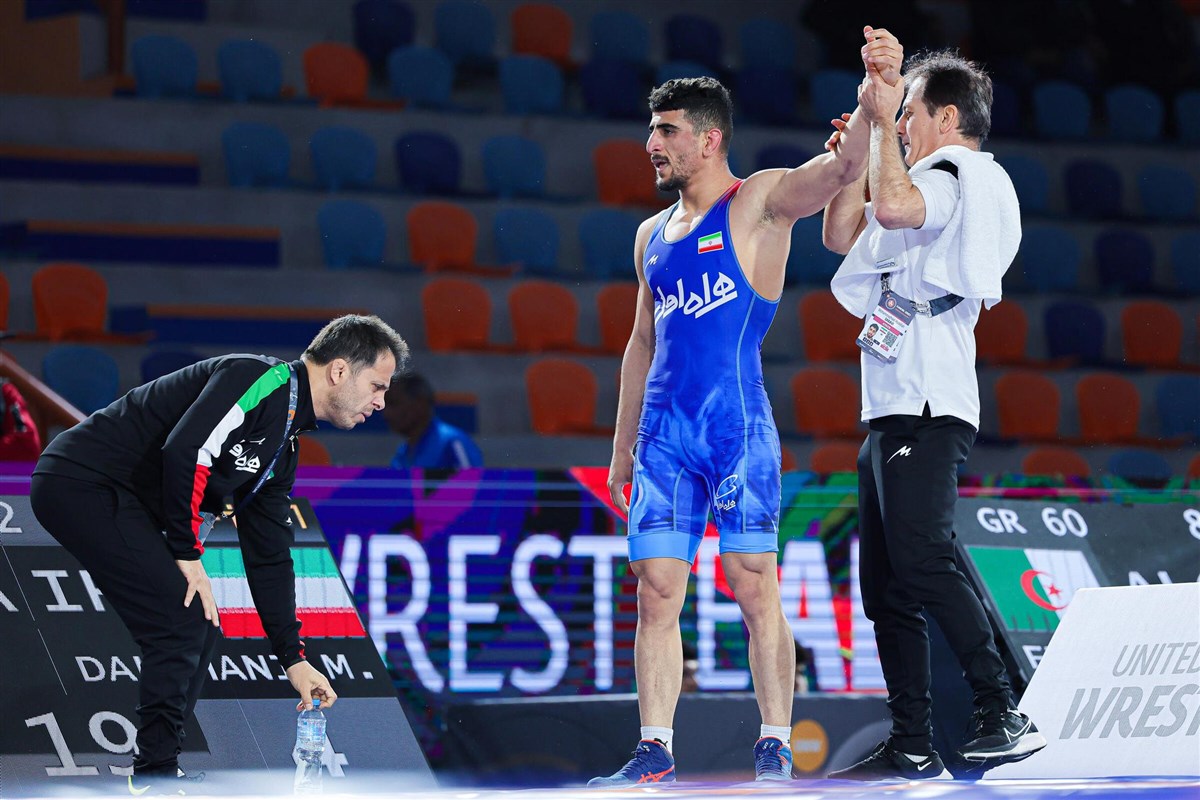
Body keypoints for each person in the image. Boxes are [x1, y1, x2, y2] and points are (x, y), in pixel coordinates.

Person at [590, 70, 869, 787]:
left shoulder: (759, 202)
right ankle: (655, 748)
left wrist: (872, 107)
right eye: (651, 129)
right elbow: (641, 343)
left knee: (752, 583)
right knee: (655, 589)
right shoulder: (651, 235)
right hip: (663, 436)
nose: (651, 144)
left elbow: (838, 172)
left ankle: (775, 741)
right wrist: (622, 448)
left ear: (710, 139)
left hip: (735, 428)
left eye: (667, 130)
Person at [29, 314, 409, 793]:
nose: (381, 402)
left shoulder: (283, 447)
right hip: (81, 481)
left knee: (199, 624)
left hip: (124, 500)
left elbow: (269, 555)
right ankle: (154, 778)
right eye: (377, 386)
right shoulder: (259, 379)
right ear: (339, 371)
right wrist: (186, 553)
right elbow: (187, 451)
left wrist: (293, 659)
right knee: (180, 620)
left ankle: (158, 769)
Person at [820, 28, 1046, 780]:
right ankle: (913, 742)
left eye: (911, 113)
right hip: (890, 408)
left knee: (923, 558)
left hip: (926, 402)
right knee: (886, 588)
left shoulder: (955, 175)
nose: (905, 125)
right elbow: (840, 232)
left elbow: (891, 208)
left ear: (946, 118)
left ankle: (1001, 708)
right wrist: (863, 145)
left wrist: (882, 127)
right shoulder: (917, 181)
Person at [383, 373, 482, 469]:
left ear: (420, 403)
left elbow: (472, 479)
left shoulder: (452, 442)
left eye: (393, 403)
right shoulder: (403, 453)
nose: (386, 414)